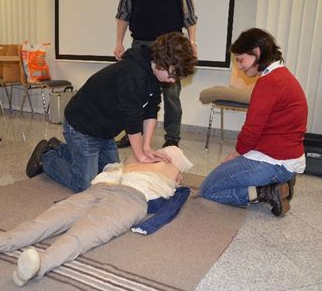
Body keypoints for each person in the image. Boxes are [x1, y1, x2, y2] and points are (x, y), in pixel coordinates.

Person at [0, 146, 193, 287]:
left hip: (131, 199)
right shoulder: (136, 155)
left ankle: (39, 264)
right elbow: (126, 158)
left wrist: (172, 168)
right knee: (44, 222)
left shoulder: (173, 171)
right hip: (99, 188)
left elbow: (175, 190)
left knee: (83, 235)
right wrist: (146, 153)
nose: (165, 154)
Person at [26, 32, 197, 193]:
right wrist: (139, 155)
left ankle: (62, 148)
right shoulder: (133, 74)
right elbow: (132, 118)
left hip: (105, 131)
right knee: (85, 184)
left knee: (109, 174)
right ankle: (46, 156)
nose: (173, 81)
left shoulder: (156, 73)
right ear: (161, 62)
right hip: (82, 127)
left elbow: (151, 109)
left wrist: (146, 147)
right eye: (172, 75)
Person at [199, 28, 308, 217]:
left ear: (256, 52)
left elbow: (252, 129)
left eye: (241, 60)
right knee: (224, 175)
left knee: (208, 189)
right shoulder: (282, 75)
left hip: (275, 161)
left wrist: (236, 153)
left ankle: (265, 192)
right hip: (284, 158)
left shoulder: (269, 82)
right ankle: (278, 183)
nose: (240, 67)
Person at [114, 0, 198, 148]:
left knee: (171, 96)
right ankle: (132, 134)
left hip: (172, 45)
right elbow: (123, 13)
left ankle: (172, 138)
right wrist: (119, 41)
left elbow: (189, 16)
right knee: (136, 93)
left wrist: (192, 42)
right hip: (141, 43)